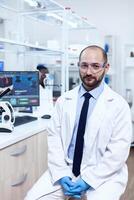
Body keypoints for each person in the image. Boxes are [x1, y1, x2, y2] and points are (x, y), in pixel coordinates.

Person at [25, 45, 132, 200]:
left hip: (104, 174)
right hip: (65, 170)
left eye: (95, 66)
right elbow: (54, 141)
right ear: (79, 66)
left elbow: (118, 152)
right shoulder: (64, 101)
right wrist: (61, 174)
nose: (89, 72)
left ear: (106, 67)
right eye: (84, 65)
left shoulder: (118, 105)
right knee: (32, 197)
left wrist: (88, 180)